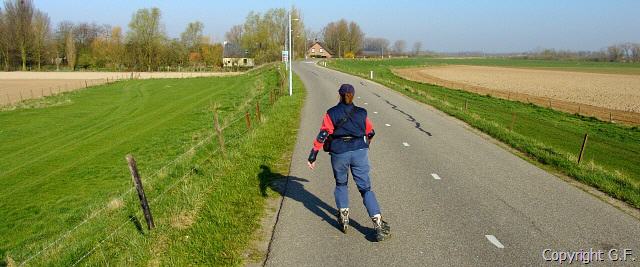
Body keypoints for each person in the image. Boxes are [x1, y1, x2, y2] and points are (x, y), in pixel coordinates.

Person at [307, 83, 391, 241]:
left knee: (341, 184)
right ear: (353, 95)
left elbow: (323, 134)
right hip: (360, 152)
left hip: (339, 153)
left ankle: (344, 217)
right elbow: (371, 132)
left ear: (339, 95)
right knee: (365, 189)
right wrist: (365, 145)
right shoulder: (361, 113)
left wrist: (313, 154)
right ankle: (379, 225)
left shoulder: (331, 113)